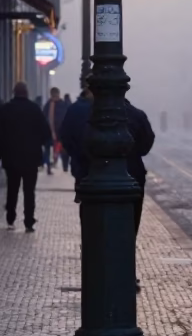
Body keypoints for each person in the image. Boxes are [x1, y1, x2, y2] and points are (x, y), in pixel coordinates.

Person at [59, 90, 155, 241]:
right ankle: (125, 253)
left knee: (93, 226)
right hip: (133, 176)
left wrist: (80, 159)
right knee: (129, 226)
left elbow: (69, 138)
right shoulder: (137, 115)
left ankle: (93, 251)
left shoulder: (88, 115)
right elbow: (146, 145)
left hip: (91, 174)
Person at [0, 82, 53, 231]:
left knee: (12, 188)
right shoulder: (34, 109)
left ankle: (10, 218)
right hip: (31, 157)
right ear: (27, 93)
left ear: (13, 93)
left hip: (11, 157)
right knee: (29, 191)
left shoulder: (5, 110)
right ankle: (28, 221)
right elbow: (46, 132)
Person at [43, 87, 69, 175]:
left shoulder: (50, 105)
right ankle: (50, 165)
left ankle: (56, 163)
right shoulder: (54, 105)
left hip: (56, 131)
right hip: (51, 131)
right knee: (51, 149)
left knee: (58, 148)